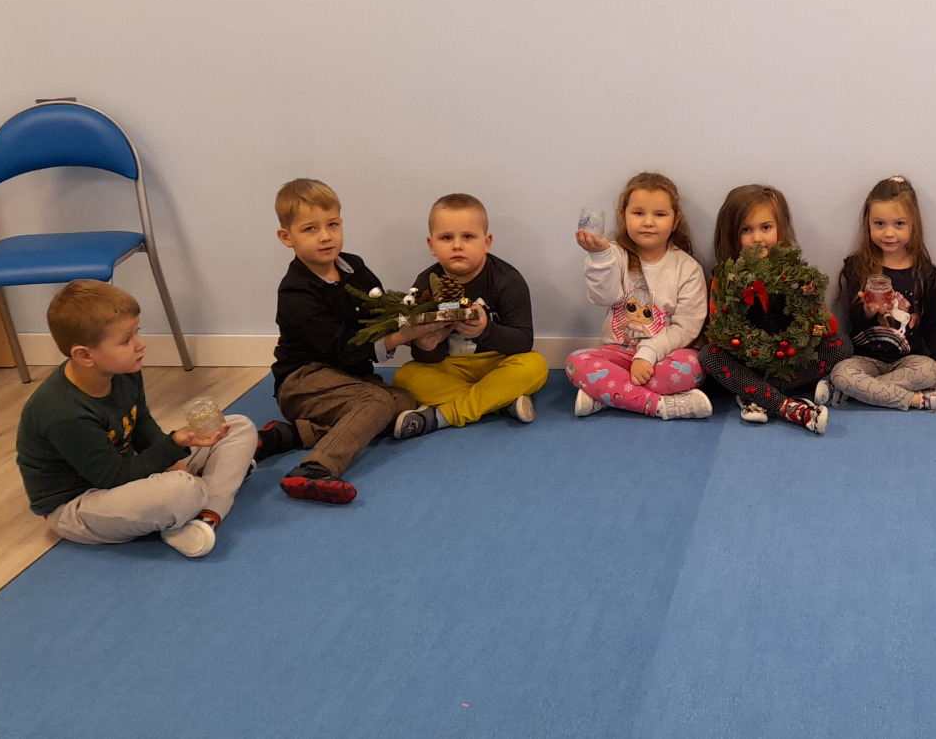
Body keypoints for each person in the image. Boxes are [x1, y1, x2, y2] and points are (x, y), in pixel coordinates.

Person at [16, 280, 255, 558]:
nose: (140, 345)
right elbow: (113, 477)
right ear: (85, 355)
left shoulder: (124, 371)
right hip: (80, 504)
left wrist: (173, 458)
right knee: (182, 491)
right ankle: (210, 492)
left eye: (136, 333)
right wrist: (174, 447)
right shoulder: (63, 412)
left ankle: (206, 515)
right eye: (126, 340)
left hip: (127, 474)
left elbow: (140, 423)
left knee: (238, 427)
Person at [256, 178, 446, 504]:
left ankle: (290, 435)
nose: (325, 236)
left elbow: (380, 314)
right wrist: (400, 337)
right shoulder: (296, 291)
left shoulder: (354, 267)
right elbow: (342, 347)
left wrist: (421, 325)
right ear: (287, 237)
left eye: (332, 224)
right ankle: (315, 468)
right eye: (310, 229)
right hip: (303, 380)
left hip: (347, 376)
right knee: (376, 403)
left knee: (403, 401)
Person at [698, 184, 852, 433]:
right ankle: (786, 406)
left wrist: (814, 309)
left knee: (843, 345)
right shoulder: (725, 279)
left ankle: (754, 393)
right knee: (708, 355)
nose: (758, 238)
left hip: (786, 360)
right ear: (732, 235)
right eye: (746, 230)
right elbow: (718, 335)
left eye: (766, 228)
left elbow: (830, 329)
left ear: (779, 229)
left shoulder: (794, 275)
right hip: (744, 361)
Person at [392, 193, 549, 431]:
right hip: (450, 366)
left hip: (498, 362)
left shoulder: (507, 280)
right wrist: (426, 346)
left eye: (468, 236)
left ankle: (443, 416)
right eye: (446, 237)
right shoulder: (425, 284)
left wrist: (486, 330)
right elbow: (426, 358)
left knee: (535, 365)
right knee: (404, 377)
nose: (457, 245)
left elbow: (523, 342)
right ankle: (499, 402)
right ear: (432, 245)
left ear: (487, 242)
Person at [820, 176, 936, 414]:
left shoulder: (924, 272)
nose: (889, 233)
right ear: (868, 224)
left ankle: (854, 392)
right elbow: (854, 322)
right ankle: (920, 401)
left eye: (899, 224)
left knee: (930, 371)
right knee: (841, 373)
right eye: (879, 224)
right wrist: (868, 310)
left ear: (913, 225)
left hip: (909, 360)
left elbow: (934, 324)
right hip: (865, 359)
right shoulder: (857, 266)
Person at [568, 172, 711, 419]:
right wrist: (599, 257)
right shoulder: (614, 255)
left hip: (666, 355)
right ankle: (660, 405)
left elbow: (686, 329)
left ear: (675, 221)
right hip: (619, 353)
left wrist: (647, 354)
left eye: (660, 214)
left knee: (694, 367)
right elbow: (603, 298)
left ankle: (609, 394)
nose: (648, 222)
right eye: (638, 213)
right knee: (575, 362)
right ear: (624, 216)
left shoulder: (687, 268)